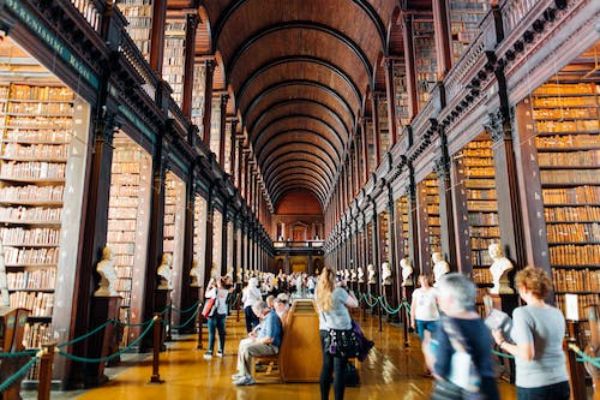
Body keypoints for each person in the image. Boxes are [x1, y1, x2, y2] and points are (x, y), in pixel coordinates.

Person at [491, 266, 569, 400]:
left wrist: (502, 342)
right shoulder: (557, 313)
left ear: (524, 288)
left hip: (535, 384)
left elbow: (527, 354)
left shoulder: (522, 313)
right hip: (560, 381)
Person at [423, 273, 499, 400]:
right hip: (486, 388)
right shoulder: (481, 323)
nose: (438, 299)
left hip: (459, 392)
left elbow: (440, 371)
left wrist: (427, 351)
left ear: (450, 298)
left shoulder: (447, 325)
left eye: (440, 295)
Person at [316, 267, 358, 400]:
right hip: (341, 333)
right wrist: (349, 290)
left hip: (325, 331)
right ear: (334, 278)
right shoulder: (339, 292)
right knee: (339, 369)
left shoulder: (318, 292)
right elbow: (355, 304)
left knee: (326, 367)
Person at [232, 300, 283, 386]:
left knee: (247, 348)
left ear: (262, 310)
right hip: (265, 343)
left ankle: (248, 378)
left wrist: (256, 340)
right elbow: (265, 332)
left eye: (257, 313)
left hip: (271, 347)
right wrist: (256, 335)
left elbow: (269, 339)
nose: (257, 315)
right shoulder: (268, 316)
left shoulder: (271, 318)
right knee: (243, 343)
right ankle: (242, 372)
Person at [204, 277, 229, 360]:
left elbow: (206, 294)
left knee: (212, 333)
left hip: (213, 313)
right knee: (221, 333)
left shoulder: (215, 290)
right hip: (222, 312)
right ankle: (221, 350)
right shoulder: (225, 291)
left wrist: (209, 285)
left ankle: (210, 351)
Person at [410, 274, 440, 341]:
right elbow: (413, 307)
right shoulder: (416, 292)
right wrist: (412, 321)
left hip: (433, 319)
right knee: (424, 340)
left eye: (425, 279)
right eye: (422, 279)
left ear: (428, 280)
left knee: (435, 340)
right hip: (420, 319)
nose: (424, 281)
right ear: (419, 281)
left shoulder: (434, 291)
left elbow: (440, 303)